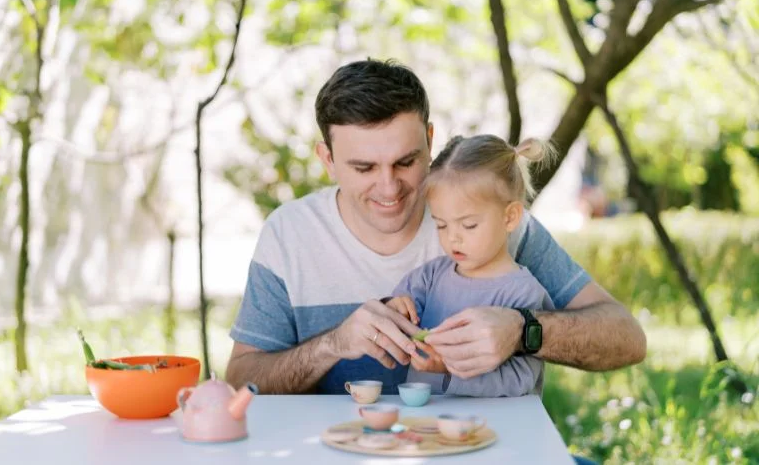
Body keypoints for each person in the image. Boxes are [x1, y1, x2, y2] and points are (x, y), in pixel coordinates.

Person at [226, 58, 646, 397]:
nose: (389, 187)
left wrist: (524, 331)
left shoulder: (492, 224)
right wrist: (331, 345)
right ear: (327, 158)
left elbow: (626, 338)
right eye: (364, 167)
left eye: (406, 162)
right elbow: (240, 380)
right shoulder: (289, 235)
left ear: (430, 140)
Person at [385, 134, 555, 398]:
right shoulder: (431, 276)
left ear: (509, 217)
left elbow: (520, 379)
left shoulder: (524, 294)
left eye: (469, 225)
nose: (453, 237)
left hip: (497, 431)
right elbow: (397, 314)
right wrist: (393, 309)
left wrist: (449, 369)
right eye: (441, 224)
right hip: (428, 426)